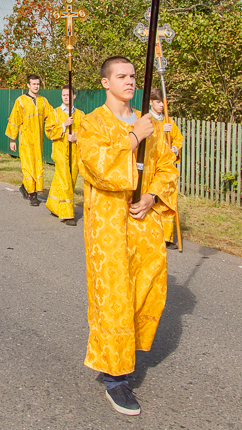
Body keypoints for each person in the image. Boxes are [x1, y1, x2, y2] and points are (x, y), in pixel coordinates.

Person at [77, 56, 179, 416]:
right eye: (122, 76)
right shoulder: (91, 123)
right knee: (114, 295)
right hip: (109, 225)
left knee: (147, 290)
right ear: (106, 82)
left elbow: (166, 167)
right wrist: (133, 138)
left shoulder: (150, 122)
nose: (130, 81)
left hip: (145, 222)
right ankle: (114, 377)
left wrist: (152, 196)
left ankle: (126, 353)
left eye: (133, 76)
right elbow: (97, 167)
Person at [5, 74, 53, 207]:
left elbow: (51, 118)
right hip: (25, 140)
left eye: (38, 84)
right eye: (33, 84)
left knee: (38, 166)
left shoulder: (44, 101)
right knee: (28, 166)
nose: (36, 86)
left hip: (38, 141)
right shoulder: (20, 101)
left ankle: (24, 187)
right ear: (28, 85)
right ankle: (33, 195)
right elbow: (14, 120)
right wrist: (12, 140)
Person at [44, 85, 85, 226]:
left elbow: (87, 134)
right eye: (64, 95)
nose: (66, 97)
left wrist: (76, 137)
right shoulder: (55, 113)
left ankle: (54, 205)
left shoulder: (80, 114)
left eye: (68, 95)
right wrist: (63, 125)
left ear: (74, 96)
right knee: (65, 180)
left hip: (74, 153)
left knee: (70, 180)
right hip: (60, 152)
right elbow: (48, 131)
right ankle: (67, 214)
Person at [150, 88, 184, 248]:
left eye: (162, 102)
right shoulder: (146, 119)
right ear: (151, 102)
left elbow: (178, 139)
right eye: (158, 102)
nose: (161, 105)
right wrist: (161, 132)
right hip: (154, 166)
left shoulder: (169, 121)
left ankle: (167, 236)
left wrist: (175, 149)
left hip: (167, 166)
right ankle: (153, 234)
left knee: (169, 199)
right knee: (154, 199)